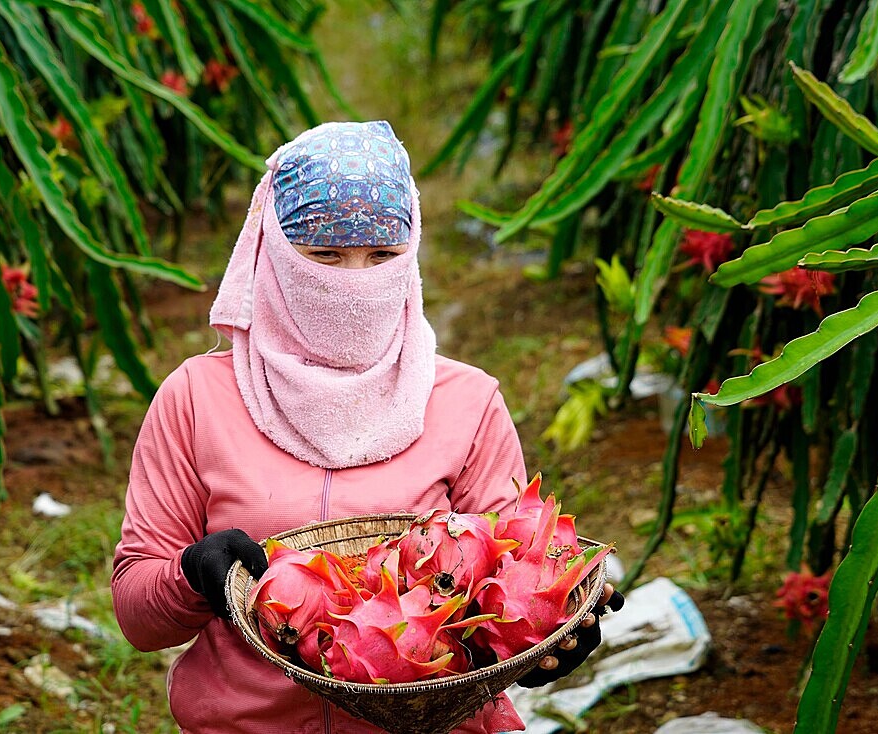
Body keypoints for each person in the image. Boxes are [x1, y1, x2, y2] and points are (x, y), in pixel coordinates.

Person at [111, 121, 622, 734]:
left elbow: (512, 578)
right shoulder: (196, 398)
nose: (354, 284)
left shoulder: (468, 402)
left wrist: (542, 642)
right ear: (270, 250)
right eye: (324, 256)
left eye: (382, 256)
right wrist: (191, 574)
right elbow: (139, 618)